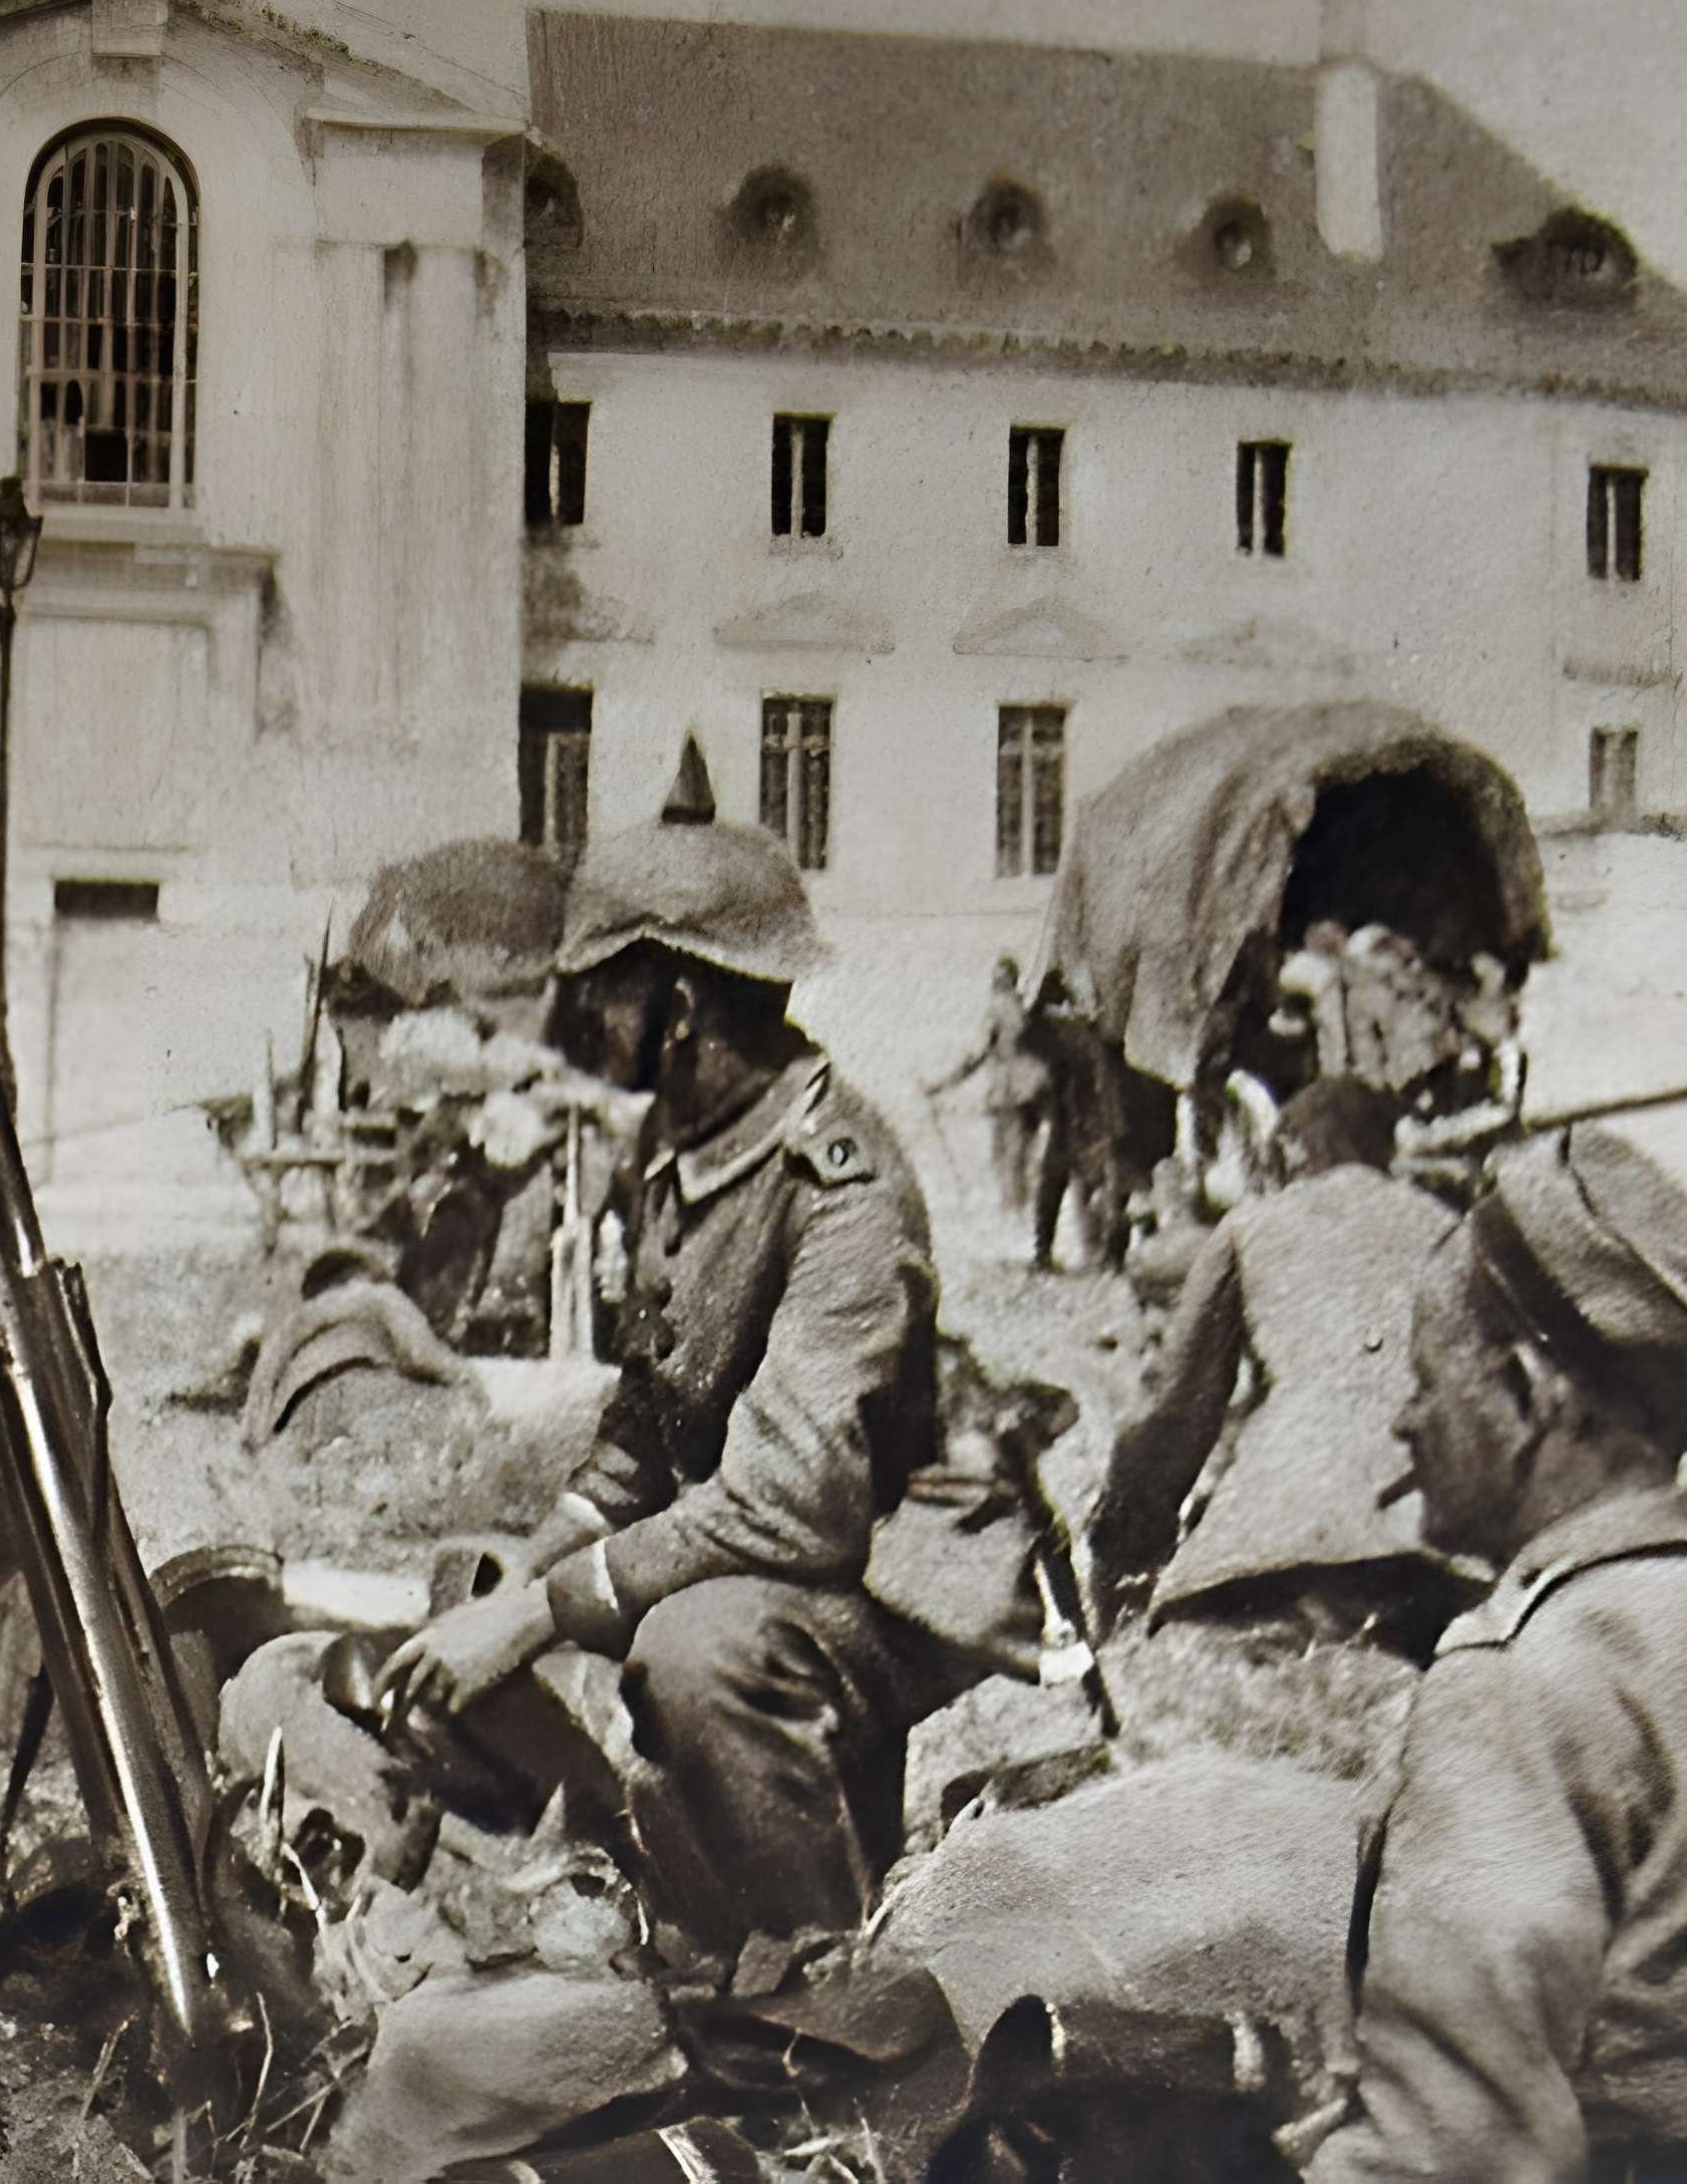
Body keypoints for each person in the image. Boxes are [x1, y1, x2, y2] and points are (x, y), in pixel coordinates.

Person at [368, 815, 982, 1954]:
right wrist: (526, 1567)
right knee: (479, 1580)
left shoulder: (843, 1183)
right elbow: (645, 1429)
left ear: (682, 1006)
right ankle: (663, 1894)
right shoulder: (684, 1145)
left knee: (695, 1649)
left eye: (605, 990)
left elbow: (797, 1497)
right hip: (759, 1555)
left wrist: (537, 1614)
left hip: (882, 1583)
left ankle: (827, 1978)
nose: (586, 1020)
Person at [1308, 1127, 1687, 2184]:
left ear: (1529, 1396)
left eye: (1430, 1380)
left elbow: (1458, 2148)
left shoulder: (1522, 1674)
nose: (1406, 1420)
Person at [1084, 1079, 1469, 1655]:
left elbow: (1175, 1412)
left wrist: (1121, 1546)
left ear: (1288, 1146)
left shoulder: (1249, 1227)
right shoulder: (1443, 1224)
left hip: (1279, 1538)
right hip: (1432, 1542)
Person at [1016, 967, 1127, 1271]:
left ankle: (1055, 1254)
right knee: (1093, 1185)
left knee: (1062, 1185)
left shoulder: (1059, 1035)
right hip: (1092, 1119)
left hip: (1082, 1121)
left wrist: (1031, 1115)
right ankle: (1104, 1256)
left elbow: (1048, 1084)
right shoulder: (1080, 1031)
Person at [925, 955, 1046, 1218]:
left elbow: (977, 1055)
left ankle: (1013, 1222)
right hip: (1033, 1098)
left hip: (1009, 1097)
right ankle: (1022, 1221)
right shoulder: (1023, 1010)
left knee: (1007, 1163)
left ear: (996, 981)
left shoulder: (996, 1009)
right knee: (1023, 1161)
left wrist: (942, 1085)